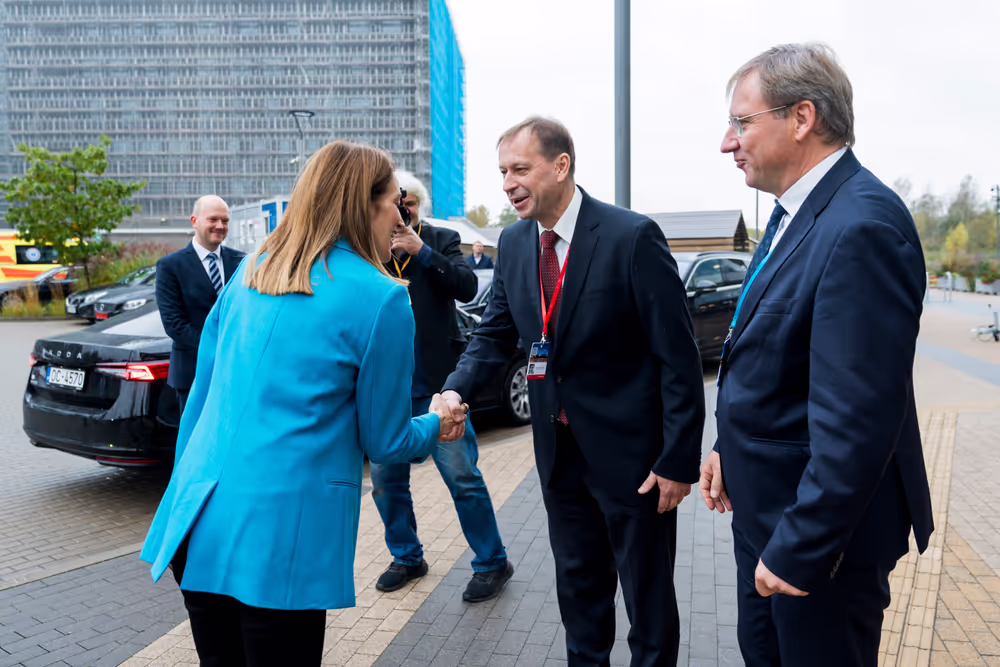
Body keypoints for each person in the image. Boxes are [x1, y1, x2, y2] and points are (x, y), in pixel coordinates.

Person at [140, 140, 466, 667]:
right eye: (396, 203)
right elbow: (385, 440)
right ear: (369, 205)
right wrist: (436, 421)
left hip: (198, 522)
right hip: (280, 544)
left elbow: (200, 398)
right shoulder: (382, 297)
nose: (401, 217)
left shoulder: (250, 272)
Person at [700, 43, 933, 667]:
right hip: (767, 515)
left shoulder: (862, 226)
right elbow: (776, 362)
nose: (729, 142)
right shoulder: (790, 216)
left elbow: (858, 417)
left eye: (742, 122)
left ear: (802, 118)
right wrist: (728, 445)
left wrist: (800, 546)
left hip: (816, 546)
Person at [442, 117, 706, 667]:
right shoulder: (514, 244)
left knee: (647, 599)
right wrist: (454, 390)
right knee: (579, 592)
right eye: (502, 172)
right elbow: (494, 332)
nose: (509, 183)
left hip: (634, 462)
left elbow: (677, 360)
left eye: (520, 169)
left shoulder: (631, 237)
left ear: (561, 166)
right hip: (560, 459)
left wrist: (678, 461)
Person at [370, 171, 514, 602]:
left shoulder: (442, 238)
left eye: (409, 202)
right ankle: (407, 556)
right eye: (396, 202)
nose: (402, 210)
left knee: (462, 476)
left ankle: (492, 562)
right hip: (389, 391)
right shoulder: (370, 245)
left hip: (437, 387)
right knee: (385, 483)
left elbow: (468, 286)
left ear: (420, 206)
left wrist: (422, 250)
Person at [156, 196, 245, 414]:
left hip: (235, 372)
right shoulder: (170, 266)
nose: (220, 226)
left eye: (225, 221)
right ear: (194, 221)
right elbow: (174, 325)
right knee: (193, 442)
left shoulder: (243, 261)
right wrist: (220, 347)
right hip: (193, 373)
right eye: (213, 219)